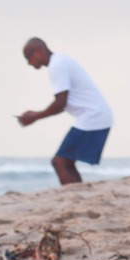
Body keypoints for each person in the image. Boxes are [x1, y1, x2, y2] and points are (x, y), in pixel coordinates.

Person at [17, 38, 113, 185]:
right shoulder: (60, 61)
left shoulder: (57, 65)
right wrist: (36, 115)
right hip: (95, 116)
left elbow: (61, 103)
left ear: (39, 52)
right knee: (66, 162)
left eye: (28, 57)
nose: (28, 63)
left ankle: (74, 199)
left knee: (59, 162)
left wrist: (35, 116)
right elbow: (62, 103)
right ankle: (78, 196)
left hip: (93, 117)